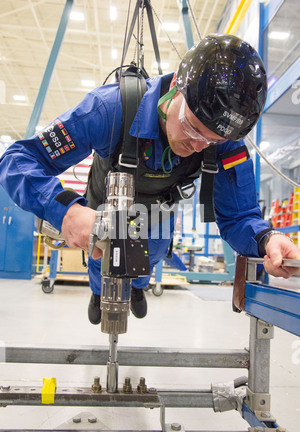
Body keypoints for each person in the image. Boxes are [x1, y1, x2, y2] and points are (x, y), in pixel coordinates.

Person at [0, 33, 299, 326]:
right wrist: (65, 210)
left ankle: (138, 287)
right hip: (104, 205)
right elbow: (17, 160)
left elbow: (239, 216)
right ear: (175, 89)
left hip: (159, 209)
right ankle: (97, 292)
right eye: (193, 128)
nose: (198, 146)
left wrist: (266, 239)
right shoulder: (109, 109)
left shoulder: (224, 140)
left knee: (152, 251)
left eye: (212, 142)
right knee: (101, 256)